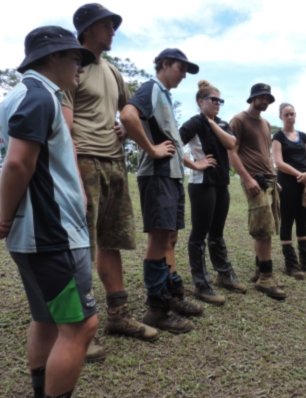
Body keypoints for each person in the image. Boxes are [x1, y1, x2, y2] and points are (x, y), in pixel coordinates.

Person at [0, 26, 98, 398]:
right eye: (75, 58)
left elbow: (29, 166)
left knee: (45, 319)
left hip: (36, 235)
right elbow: (17, 164)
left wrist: (6, 212)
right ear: (52, 57)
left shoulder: (16, 97)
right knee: (80, 328)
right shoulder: (41, 96)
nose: (80, 66)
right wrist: (4, 217)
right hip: (53, 235)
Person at [62, 3, 158, 361]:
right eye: (106, 25)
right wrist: (70, 171)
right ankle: (77, 329)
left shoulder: (113, 71)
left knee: (111, 241)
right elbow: (64, 125)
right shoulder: (72, 66)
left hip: (115, 163)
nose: (113, 31)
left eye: (113, 25)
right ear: (86, 30)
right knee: (79, 246)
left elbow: (126, 111)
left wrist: (123, 126)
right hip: (84, 162)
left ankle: (119, 316)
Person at [120, 48, 203, 334]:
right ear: (165, 64)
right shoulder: (152, 88)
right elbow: (128, 115)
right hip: (157, 176)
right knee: (158, 239)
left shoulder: (164, 96)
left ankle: (171, 295)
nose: (183, 75)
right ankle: (156, 309)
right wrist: (151, 148)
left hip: (172, 177)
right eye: (181, 68)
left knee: (170, 237)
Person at [179, 80, 247, 305]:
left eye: (220, 100)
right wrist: (195, 164)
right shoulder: (193, 123)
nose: (218, 103)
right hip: (201, 184)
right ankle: (201, 284)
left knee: (217, 233)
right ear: (201, 101)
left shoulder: (221, 123)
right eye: (213, 100)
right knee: (199, 234)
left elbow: (231, 143)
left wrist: (211, 122)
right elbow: (174, 145)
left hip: (221, 184)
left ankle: (224, 275)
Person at [229, 83, 286, 300]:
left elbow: (267, 154)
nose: (265, 102)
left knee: (267, 224)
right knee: (264, 228)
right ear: (252, 98)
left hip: (269, 180)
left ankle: (259, 269)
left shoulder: (265, 124)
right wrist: (248, 179)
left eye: (268, 99)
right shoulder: (239, 120)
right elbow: (232, 153)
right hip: (254, 180)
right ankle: (265, 278)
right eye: (261, 98)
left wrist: (274, 177)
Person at [272, 103, 306, 278]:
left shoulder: (303, 136)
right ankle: (291, 265)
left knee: (302, 221)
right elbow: (279, 163)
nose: (290, 117)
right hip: (287, 184)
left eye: (292, 114)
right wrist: (301, 175)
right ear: (281, 117)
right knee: (287, 222)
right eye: (286, 115)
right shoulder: (278, 137)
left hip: (305, 184)